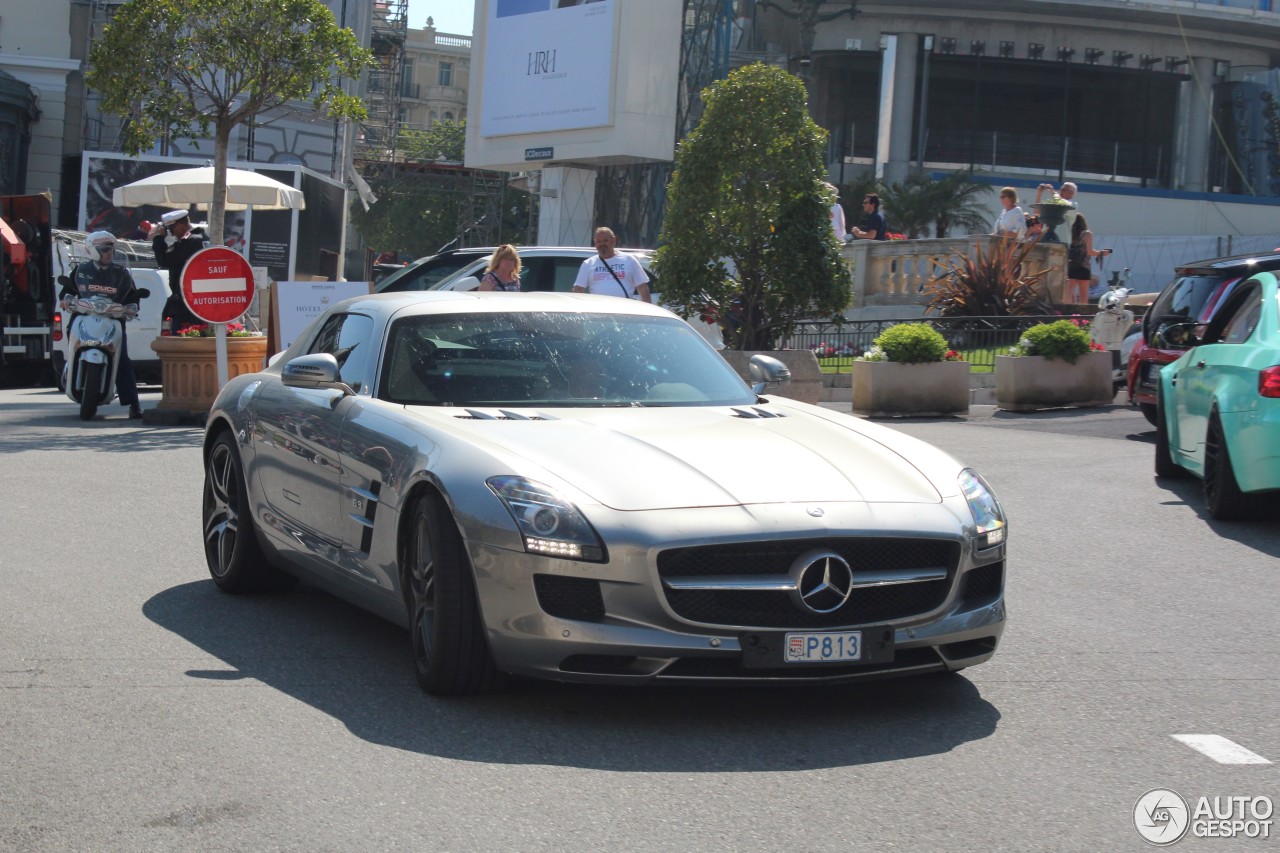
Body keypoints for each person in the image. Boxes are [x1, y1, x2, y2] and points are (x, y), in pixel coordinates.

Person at [59, 231, 143, 418]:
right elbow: (66, 290)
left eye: (111, 249)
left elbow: (133, 297)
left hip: (113, 319)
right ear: (93, 251)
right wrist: (65, 300)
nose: (109, 253)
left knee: (122, 360)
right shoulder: (81, 271)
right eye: (105, 249)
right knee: (71, 338)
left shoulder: (121, 273)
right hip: (84, 315)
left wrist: (132, 306)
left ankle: (133, 404)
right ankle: (70, 368)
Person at [148, 209, 205, 334]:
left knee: (180, 342)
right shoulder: (196, 238)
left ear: (181, 224)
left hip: (188, 304)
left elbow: (164, 260)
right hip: (192, 302)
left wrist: (158, 238)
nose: (172, 234)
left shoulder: (191, 241)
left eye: (171, 229)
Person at [572, 227, 652, 302]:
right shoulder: (588, 264)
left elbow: (642, 287)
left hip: (624, 313)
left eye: (605, 240)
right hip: (599, 313)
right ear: (595, 243)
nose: (602, 244)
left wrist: (648, 311)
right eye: (599, 241)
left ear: (613, 240)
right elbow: (578, 290)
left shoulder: (629, 260)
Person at [1066, 213, 1112, 304]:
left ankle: (1065, 312)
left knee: (1069, 292)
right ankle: (1082, 316)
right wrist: (1102, 253)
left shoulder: (1070, 234)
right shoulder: (1087, 234)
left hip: (1071, 265)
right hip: (1084, 266)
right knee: (1083, 294)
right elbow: (1089, 251)